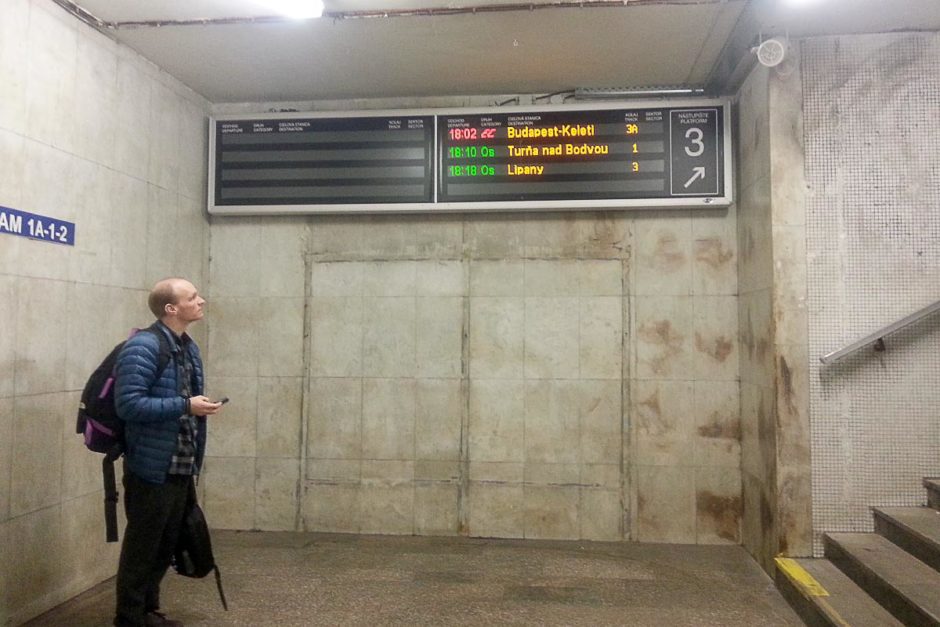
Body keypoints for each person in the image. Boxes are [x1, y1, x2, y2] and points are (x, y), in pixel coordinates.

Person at [112, 278, 224, 627]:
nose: (201, 301)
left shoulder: (187, 347)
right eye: (192, 297)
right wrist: (185, 405)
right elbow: (128, 404)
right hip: (151, 465)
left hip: (179, 462)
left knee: (166, 542)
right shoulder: (143, 347)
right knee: (143, 545)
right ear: (171, 309)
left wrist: (192, 407)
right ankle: (129, 617)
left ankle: (148, 609)